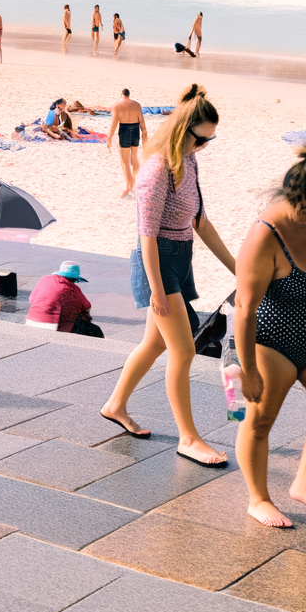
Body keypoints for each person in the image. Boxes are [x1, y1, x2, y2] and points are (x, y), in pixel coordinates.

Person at [101, 85, 238, 468]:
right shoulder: (158, 168)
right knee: (184, 349)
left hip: (180, 259)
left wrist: (239, 269)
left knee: (154, 345)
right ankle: (188, 439)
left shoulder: (189, 162)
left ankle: (115, 405)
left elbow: (201, 223)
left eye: (211, 141)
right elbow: (146, 233)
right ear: (184, 130)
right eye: (202, 139)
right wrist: (158, 291)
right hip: (157, 263)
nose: (205, 146)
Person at [233, 144, 306, 525]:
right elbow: (245, 308)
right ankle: (258, 499)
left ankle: (303, 484)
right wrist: (247, 368)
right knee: (260, 421)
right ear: (291, 198)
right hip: (271, 341)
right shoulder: (264, 235)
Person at [28, 262, 92, 333]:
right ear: (74, 279)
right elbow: (87, 306)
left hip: (32, 319)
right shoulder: (73, 288)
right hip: (53, 326)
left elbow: (31, 299)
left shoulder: (44, 279)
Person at [108, 88, 149, 198]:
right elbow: (142, 121)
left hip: (125, 130)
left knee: (124, 161)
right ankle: (133, 179)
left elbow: (114, 124)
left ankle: (128, 186)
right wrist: (144, 133)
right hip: (135, 130)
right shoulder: (137, 105)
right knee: (134, 158)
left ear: (121, 94)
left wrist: (110, 137)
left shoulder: (116, 105)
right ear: (129, 95)